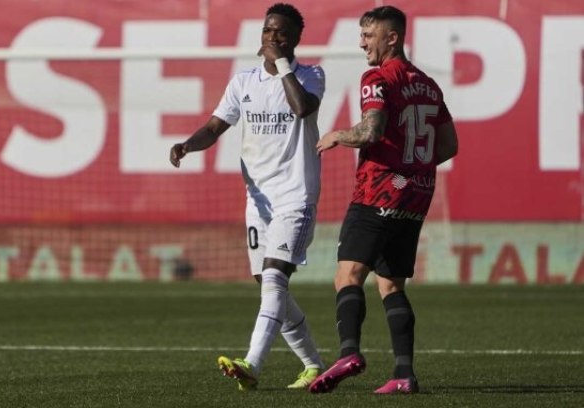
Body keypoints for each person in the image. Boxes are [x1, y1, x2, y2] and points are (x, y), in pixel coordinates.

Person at [169, 3, 326, 391]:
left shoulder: (311, 76)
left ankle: (252, 364)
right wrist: (188, 145)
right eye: (267, 30)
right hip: (258, 202)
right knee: (268, 284)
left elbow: (302, 108)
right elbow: (214, 126)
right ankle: (314, 364)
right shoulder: (243, 82)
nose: (272, 37)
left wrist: (284, 66)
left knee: (274, 277)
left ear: (295, 40)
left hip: (295, 196)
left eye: (281, 33)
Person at [308, 5, 458, 394]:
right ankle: (404, 375)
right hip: (416, 196)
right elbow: (449, 145)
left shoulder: (377, 77)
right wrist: (412, 168)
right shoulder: (428, 84)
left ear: (392, 37)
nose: (362, 44)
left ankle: (348, 353)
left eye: (368, 35)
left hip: (376, 193)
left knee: (348, 275)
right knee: (391, 285)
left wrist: (339, 134)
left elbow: (372, 130)